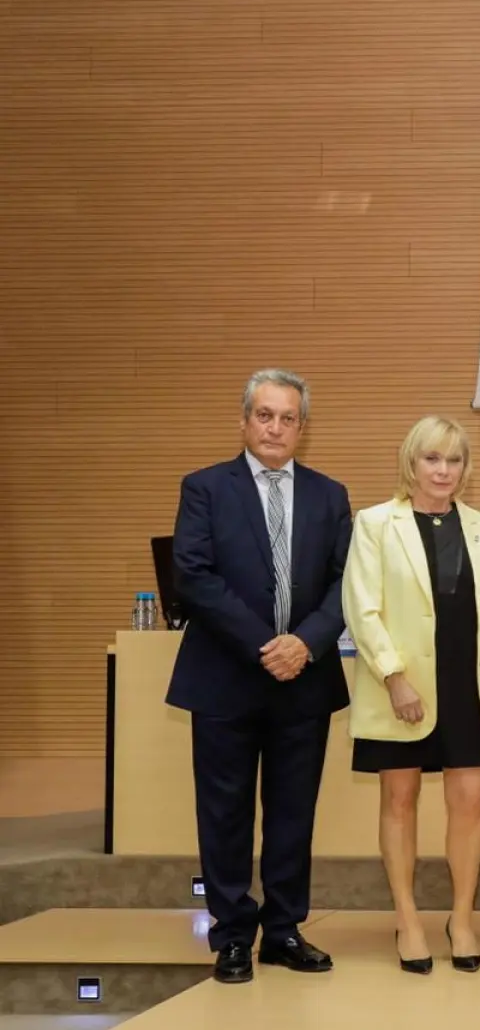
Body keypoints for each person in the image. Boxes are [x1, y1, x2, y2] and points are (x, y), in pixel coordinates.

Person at [166, 369, 351, 984]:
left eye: (288, 417)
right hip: (226, 676)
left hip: (305, 677)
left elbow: (345, 584)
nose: (276, 428)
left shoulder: (330, 495)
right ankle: (232, 934)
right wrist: (265, 644)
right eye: (265, 415)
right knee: (224, 811)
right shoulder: (205, 488)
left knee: (293, 812)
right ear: (244, 420)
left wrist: (304, 643)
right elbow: (193, 576)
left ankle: (283, 929)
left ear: (303, 426)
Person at [342, 415, 480, 975]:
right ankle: (408, 918)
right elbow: (361, 607)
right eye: (432, 459)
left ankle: (461, 918)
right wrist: (393, 676)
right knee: (400, 801)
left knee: (469, 802)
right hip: (402, 689)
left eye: (455, 460)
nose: (444, 470)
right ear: (411, 463)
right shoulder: (374, 524)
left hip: (467, 685)